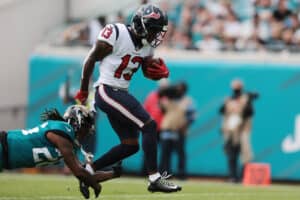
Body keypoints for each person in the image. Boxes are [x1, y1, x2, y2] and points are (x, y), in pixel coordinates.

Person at [74, 4, 181, 193]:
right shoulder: (116, 32)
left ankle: (88, 171)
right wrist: (83, 91)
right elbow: (90, 59)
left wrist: (157, 72)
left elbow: (146, 68)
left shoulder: (147, 47)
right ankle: (154, 178)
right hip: (107, 90)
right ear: (142, 25)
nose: (156, 35)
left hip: (120, 93)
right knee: (149, 126)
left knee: (130, 145)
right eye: (154, 30)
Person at [0, 105, 121, 198]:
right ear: (77, 122)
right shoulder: (64, 131)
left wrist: (113, 174)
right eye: (86, 127)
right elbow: (80, 173)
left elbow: (83, 173)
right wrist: (96, 185)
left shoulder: (68, 141)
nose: (87, 132)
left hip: (5, 159)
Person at [219, 79, 259, 182]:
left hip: (243, 130)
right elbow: (222, 112)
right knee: (231, 154)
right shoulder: (228, 99)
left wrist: (249, 100)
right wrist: (223, 128)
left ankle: (244, 176)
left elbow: (250, 112)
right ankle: (233, 176)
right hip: (231, 131)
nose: (236, 88)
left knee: (245, 155)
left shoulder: (245, 98)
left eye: (238, 86)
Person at [159, 81, 195, 180]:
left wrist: (184, 126)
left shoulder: (187, 100)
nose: (178, 91)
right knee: (165, 154)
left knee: (180, 154)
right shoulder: (168, 99)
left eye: (180, 89)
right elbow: (162, 109)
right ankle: (165, 174)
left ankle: (181, 174)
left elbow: (192, 117)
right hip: (167, 130)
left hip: (179, 131)